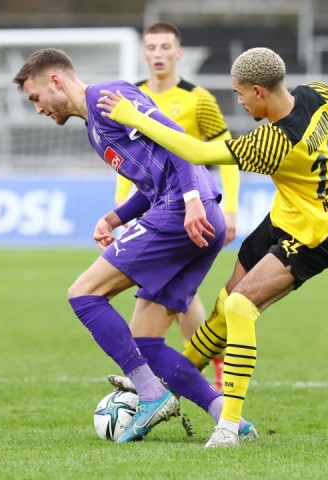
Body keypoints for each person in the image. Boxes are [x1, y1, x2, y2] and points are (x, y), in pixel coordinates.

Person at [97, 46, 328, 448]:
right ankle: (164, 391)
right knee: (224, 308)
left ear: (258, 91)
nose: (239, 102)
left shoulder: (271, 141)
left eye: (240, 94)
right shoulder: (321, 96)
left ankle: (229, 425)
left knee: (240, 307)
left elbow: (197, 152)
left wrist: (134, 118)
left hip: (314, 237)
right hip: (281, 221)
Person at [12, 48, 257, 444]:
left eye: (35, 97)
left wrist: (190, 199)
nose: (38, 108)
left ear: (55, 81)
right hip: (193, 213)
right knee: (147, 341)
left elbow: (176, 138)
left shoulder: (106, 97)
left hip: (182, 210)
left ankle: (151, 394)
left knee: (84, 294)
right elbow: (152, 181)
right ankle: (230, 421)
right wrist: (115, 218)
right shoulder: (94, 128)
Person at [115, 22, 238, 391]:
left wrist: (231, 209)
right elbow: (126, 158)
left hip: (189, 206)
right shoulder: (131, 96)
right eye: (152, 47)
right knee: (180, 292)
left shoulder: (199, 99)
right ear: (144, 53)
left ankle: (164, 370)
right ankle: (202, 364)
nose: (158, 54)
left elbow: (227, 154)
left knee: (173, 288)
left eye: (165, 47)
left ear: (178, 53)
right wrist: (121, 205)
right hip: (150, 205)